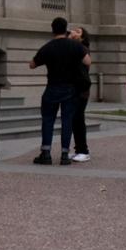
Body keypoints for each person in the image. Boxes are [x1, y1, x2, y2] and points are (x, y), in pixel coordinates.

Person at [27, 16, 88, 166]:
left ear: (53, 30)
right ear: (65, 28)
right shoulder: (75, 46)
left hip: (53, 87)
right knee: (67, 121)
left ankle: (46, 153)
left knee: (48, 120)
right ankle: (65, 155)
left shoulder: (48, 47)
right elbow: (87, 61)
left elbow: (32, 65)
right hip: (70, 89)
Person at [68, 26, 93, 162]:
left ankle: (83, 150)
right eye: (73, 30)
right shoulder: (74, 47)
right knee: (74, 120)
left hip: (81, 90)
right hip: (74, 89)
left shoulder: (82, 49)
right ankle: (79, 149)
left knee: (78, 119)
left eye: (78, 31)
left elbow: (87, 64)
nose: (73, 32)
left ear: (82, 38)